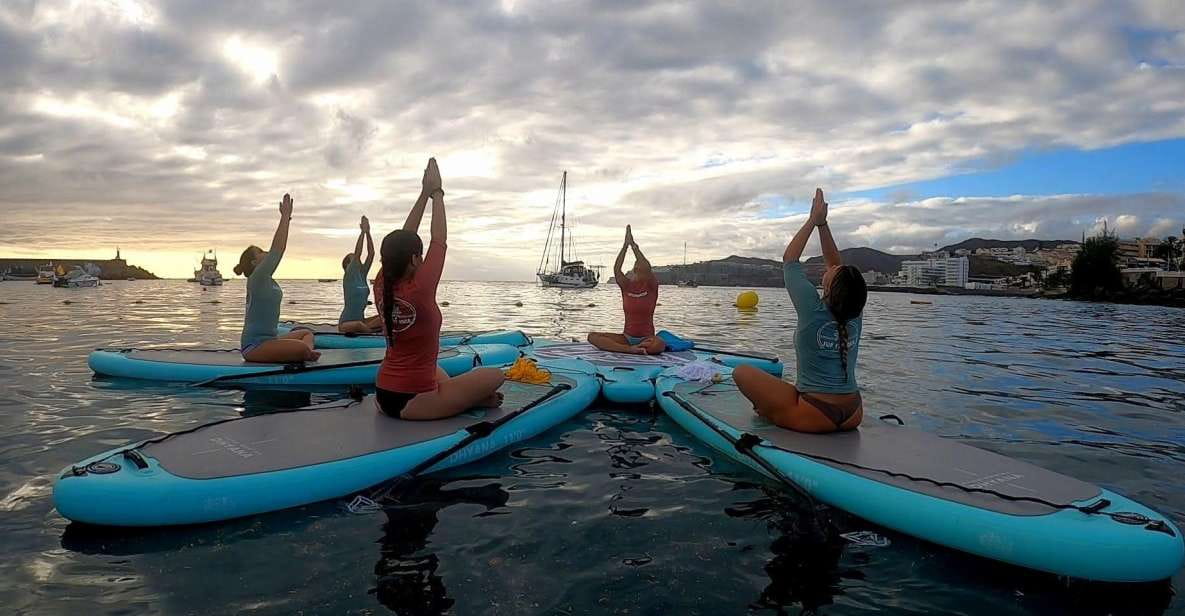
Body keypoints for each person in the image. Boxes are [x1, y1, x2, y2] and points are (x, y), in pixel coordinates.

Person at [373, 158, 504, 420]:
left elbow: (403, 239)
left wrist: (424, 194)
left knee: (437, 369)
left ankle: (461, 398)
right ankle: (467, 401)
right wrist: (437, 193)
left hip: (383, 394)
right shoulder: (420, 287)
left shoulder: (381, 283)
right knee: (495, 375)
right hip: (416, 402)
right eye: (419, 256)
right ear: (414, 259)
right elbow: (439, 239)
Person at [734, 188, 867, 433]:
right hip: (854, 412)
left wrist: (812, 221)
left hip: (815, 414)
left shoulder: (812, 308)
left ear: (830, 289)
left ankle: (772, 411)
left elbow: (790, 260)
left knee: (741, 372)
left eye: (831, 273)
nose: (829, 269)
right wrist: (823, 224)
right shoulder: (856, 310)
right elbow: (835, 263)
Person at [232, 193, 319, 363]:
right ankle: (304, 353)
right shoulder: (256, 278)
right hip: (254, 346)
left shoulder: (268, 280)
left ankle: (305, 353)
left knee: (306, 334)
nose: (266, 252)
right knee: (301, 348)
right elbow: (277, 250)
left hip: (271, 340)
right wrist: (285, 217)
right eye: (260, 252)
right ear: (254, 262)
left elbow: (275, 252)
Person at [587, 225, 667, 355]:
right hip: (626, 338)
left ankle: (637, 347)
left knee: (660, 345)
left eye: (642, 270)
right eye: (637, 269)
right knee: (592, 337)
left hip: (647, 338)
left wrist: (634, 246)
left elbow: (645, 265)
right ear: (634, 271)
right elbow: (617, 269)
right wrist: (625, 246)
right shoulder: (626, 286)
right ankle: (630, 350)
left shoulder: (651, 286)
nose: (640, 272)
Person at [338, 215, 383, 334]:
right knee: (358, 325)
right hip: (346, 324)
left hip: (362, 321)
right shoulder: (348, 277)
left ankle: (372, 331)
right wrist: (362, 232)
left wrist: (368, 232)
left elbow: (371, 254)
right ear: (347, 265)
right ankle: (372, 334)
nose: (357, 260)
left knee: (384, 317)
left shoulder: (362, 274)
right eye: (353, 259)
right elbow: (358, 252)